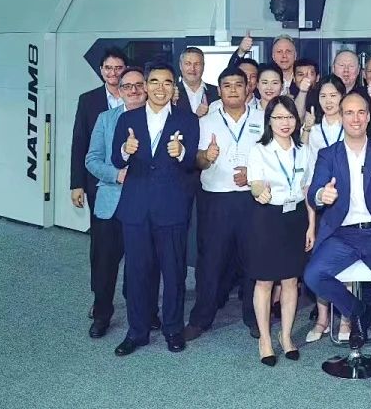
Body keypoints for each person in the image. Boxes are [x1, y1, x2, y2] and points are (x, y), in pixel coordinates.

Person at [303, 92, 371, 409]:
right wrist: (321, 196)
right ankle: (357, 310)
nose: (355, 118)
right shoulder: (328, 154)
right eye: (349, 112)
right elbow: (314, 192)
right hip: (342, 234)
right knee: (313, 275)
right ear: (341, 117)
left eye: (361, 112)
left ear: (368, 116)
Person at [111, 64, 200, 356]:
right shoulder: (128, 119)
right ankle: (136, 332)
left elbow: (192, 163)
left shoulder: (187, 120)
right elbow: (116, 159)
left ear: (174, 87)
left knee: (174, 274)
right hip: (136, 209)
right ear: (146, 86)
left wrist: (182, 153)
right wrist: (125, 150)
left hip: (171, 209)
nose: (160, 88)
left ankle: (173, 329)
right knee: (137, 273)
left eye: (167, 83)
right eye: (154, 82)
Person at [184, 67, 262, 342]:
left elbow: (273, 157)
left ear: (247, 88)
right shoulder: (206, 120)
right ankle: (200, 319)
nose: (233, 90)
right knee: (211, 261)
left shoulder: (263, 117)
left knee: (254, 260)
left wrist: (253, 174)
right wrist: (207, 156)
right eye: (227, 85)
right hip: (216, 199)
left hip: (252, 199)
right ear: (219, 90)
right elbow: (196, 160)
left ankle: (254, 317)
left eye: (238, 84)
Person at [84, 67, 154, 339]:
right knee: (105, 264)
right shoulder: (106, 119)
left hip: (145, 204)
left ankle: (146, 312)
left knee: (144, 264)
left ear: (146, 88)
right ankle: (102, 314)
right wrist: (116, 175)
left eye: (139, 85)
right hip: (111, 202)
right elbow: (92, 160)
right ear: (120, 91)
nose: (133, 91)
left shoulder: (157, 118)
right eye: (127, 86)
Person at [247, 95, 314, 366]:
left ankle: (285, 336)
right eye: (279, 117)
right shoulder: (259, 150)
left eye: (289, 117)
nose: (285, 123)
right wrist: (259, 191)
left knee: (290, 280)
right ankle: (265, 339)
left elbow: (308, 190)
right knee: (264, 281)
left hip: (296, 218)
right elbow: (255, 183)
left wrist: (311, 225)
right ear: (269, 121)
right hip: (268, 218)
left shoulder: (304, 150)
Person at [72, 47, 127, 319]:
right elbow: (80, 143)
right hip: (99, 185)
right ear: (101, 70)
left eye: (118, 68)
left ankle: (137, 301)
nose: (113, 73)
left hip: (133, 187)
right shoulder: (89, 100)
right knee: (102, 248)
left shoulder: (138, 97)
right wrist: (76, 184)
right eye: (108, 68)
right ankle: (100, 300)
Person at [299, 75, 347, 343]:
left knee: (348, 261)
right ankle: (322, 319)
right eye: (323, 96)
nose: (328, 101)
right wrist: (310, 223)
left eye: (333, 96)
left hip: (348, 205)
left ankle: (347, 318)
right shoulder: (314, 132)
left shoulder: (351, 125)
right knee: (320, 264)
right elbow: (308, 180)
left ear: (342, 97)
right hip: (320, 205)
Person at [331, 50, 371, 130]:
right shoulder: (322, 93)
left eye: (351, 66)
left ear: (358, 70)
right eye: (341, 65)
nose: (346, 70)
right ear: (333, 68)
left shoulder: (366, 95)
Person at [173, 47, 220, 118]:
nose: (192, 68)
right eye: (188, 64)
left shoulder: (217, 92)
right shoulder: (171, 93)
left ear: (203, 66)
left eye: (197, 64)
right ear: (180, 65)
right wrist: (195, 116)